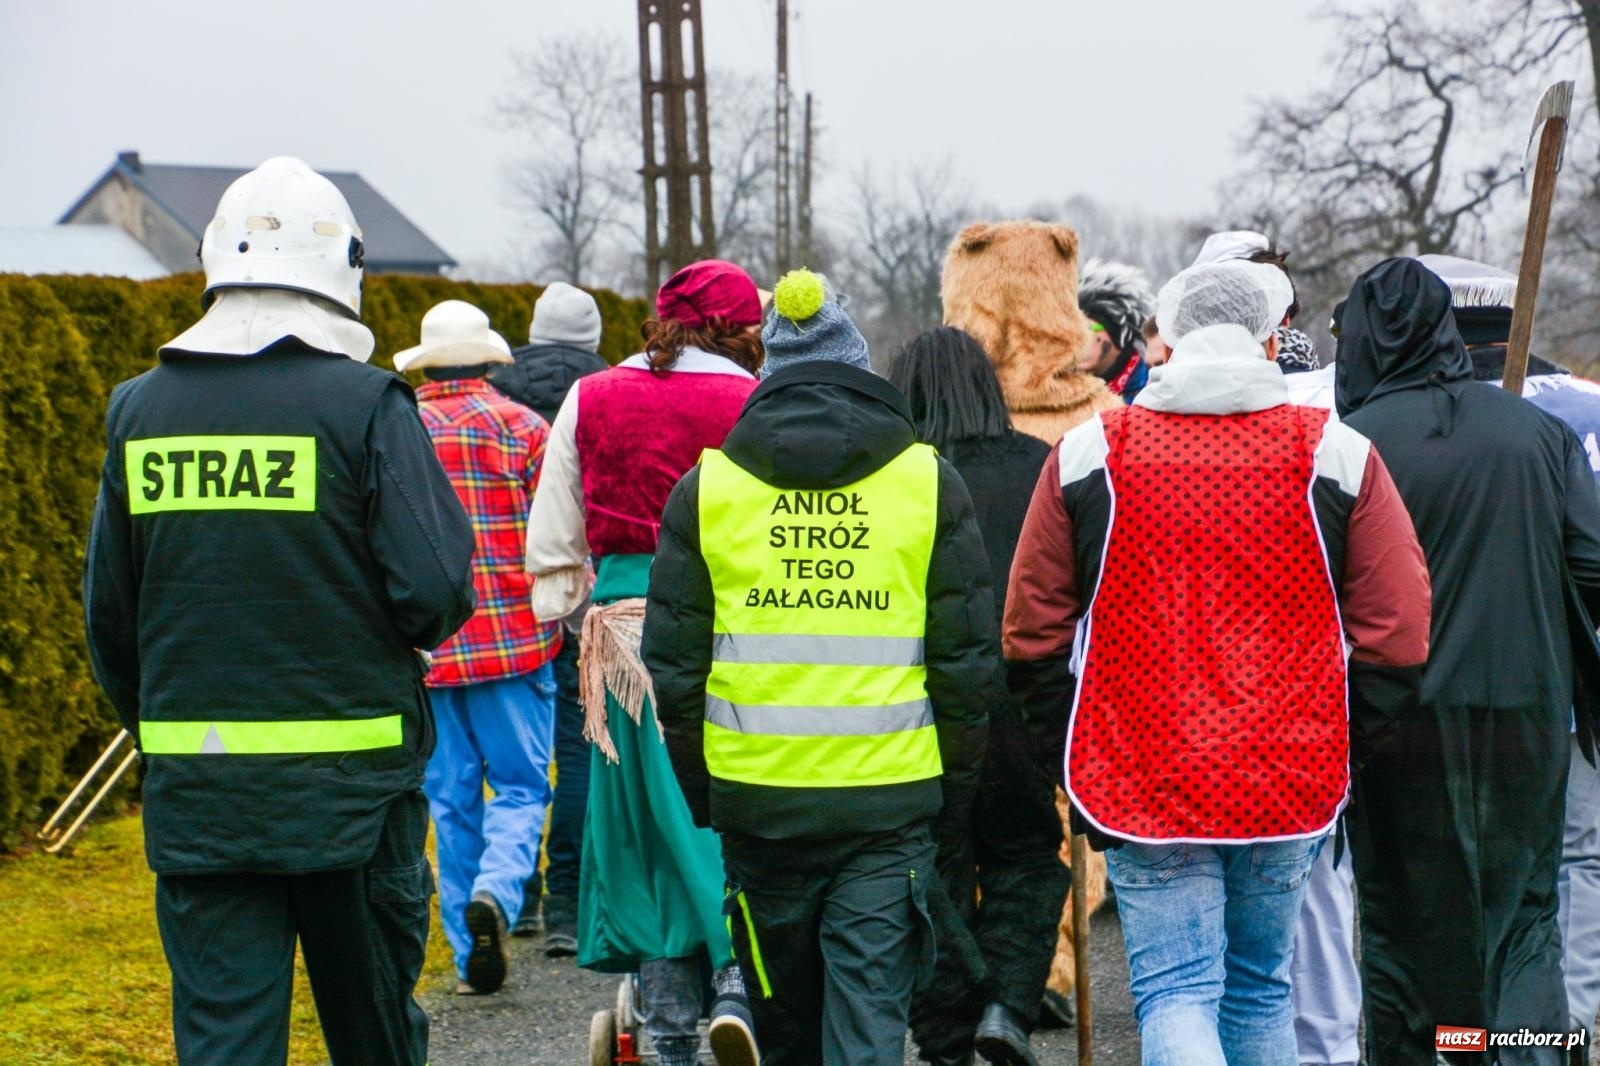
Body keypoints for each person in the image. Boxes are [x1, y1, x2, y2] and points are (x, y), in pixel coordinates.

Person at [83, 157, 476, 1065]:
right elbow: (436, 589)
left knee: (225, 1043)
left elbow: (111, 618)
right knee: (372, 1033)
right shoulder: (366, 404)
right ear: (344, 270)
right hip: (354, 803)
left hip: (203, 808)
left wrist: (174, 730)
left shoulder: (139, 414)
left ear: (217, 258)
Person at [1005, 259, 1432, 1065]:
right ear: (1270, 338)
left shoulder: (1091, 452)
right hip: (1291, 768)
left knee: (1175, 993)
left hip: (1136, 764)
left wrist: (1063, 746)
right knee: (1261, 987)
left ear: (1171, 339)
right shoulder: (1335, 453)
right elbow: (1399, 630)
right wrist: (1354, 740)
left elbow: (1031, 630)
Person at [642, 270, 997, 1066]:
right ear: (859, 367)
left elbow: (673, 668)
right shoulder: (925, 482)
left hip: (760, 805)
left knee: (786, 1029)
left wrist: (710, 797)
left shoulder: (709, 490)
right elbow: (967, 667)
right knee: (869, 1026)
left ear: (766, 375)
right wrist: (951, 804)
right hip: (887, 805)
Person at [1336, 257, 1600, 1064]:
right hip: (1525, 715)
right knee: (1522, 919)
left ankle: (1432, 1051)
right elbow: (1593, 565)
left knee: (1400, 924)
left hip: (1394, 720)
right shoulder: (1539, 435)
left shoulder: (1351, 446)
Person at [525, 259, 764, 1066]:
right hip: (733, 621)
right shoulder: (748, 398)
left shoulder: (592, 395)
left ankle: (665, 1029)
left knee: (646, 834)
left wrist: (564, 613)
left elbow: (556, 524)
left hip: (623, 624)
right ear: (737, 329)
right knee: (722, 807)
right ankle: (736, 979)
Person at [941, 219, 1114, 1018]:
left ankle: (987, 971)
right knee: (1059, 818)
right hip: (1074, 660)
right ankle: (1047, 967)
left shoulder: (940, 428)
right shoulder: (1104, 422)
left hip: (966, 657)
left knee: (977, 816)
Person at [887, 327, 1067, 1066]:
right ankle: (1006, 1006)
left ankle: (949, 1033)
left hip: (919, 703)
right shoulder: (1041, 466)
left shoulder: (894, 477)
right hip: (1021, 696)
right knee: (1028, 853)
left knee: (934, 866)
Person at [394, 299, 561, 994]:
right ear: (490, 360)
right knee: (521, 787)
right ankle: (499, 888)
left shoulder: (400, 432)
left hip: (431, 653)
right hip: (514, 646)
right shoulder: (524, 428)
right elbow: (556, 536)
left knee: (451, 801)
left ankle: (469, 958)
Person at [489, 280, 610, 954]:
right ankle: (567, 900)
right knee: (577, 742)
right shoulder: (608, 390)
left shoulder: (497, 387)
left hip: (504, 599)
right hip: (577, 590)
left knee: (509, 756)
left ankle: (517, 896)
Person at [1077, 259, 1156, 404]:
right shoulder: (1060, 389)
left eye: (1086, 328)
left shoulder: (1152, 388)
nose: (1076, 339)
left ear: (1118, 333)